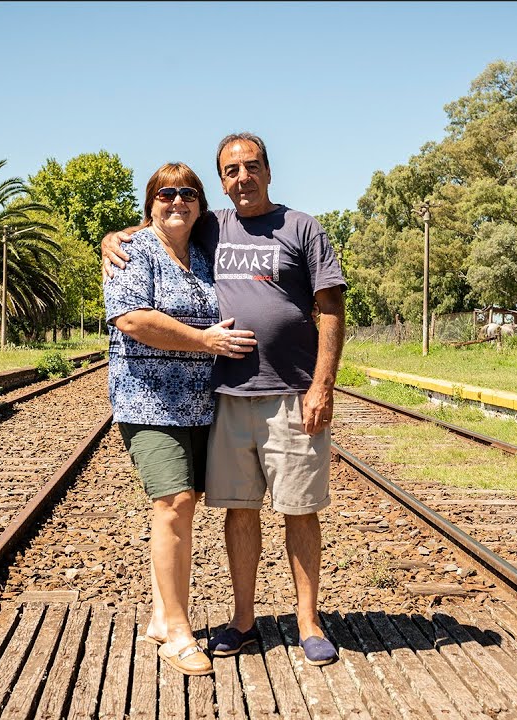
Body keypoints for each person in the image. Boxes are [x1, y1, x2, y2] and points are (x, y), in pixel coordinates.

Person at [103, 133, 347, 667]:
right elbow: (156, 227)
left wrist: (322, 384)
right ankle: (242, 621)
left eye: (251, 166)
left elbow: (329, 307)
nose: (242, 178)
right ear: (222, 181)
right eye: (231, 171)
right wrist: (112, 235)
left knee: (300, 510)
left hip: (289, 392)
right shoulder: (214, 224)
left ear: (267, 170)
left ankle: (308, 622)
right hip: (227, 396)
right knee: (236, 510)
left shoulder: (300, 227)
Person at [104, 162, 258, 677]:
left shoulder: (205, 252)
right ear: (150, 203)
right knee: (173, 502)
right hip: (148, 403)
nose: (177, 201)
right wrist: (204, 340)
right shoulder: (134, 251)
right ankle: (177, 630)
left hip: (204, 402)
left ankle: (159, 616)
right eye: (165, 193)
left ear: (199, 204)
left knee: (186, 506)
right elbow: (131, 319)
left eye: (188, 193)